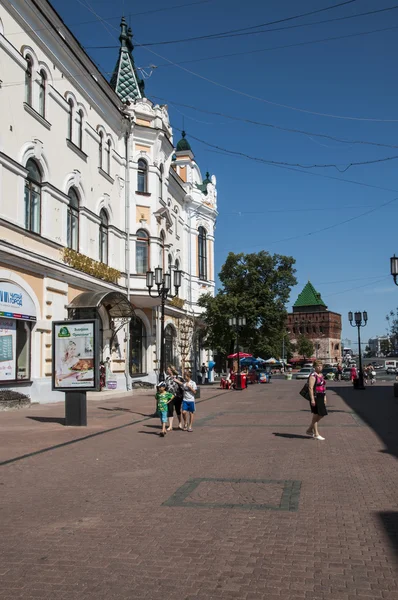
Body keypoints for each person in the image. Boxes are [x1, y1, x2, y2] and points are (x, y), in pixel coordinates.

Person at [306, 361, 328, 441]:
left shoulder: (321, 375)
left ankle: (309, 429)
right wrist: (312, 399)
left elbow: (323, 386)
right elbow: (310, 388)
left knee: (322, 414)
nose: (320, 367)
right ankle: (316, 434)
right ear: (314, 367)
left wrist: (325, 397)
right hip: (316, 396)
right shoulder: (313, 375)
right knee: (316, 414)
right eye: (318, 366)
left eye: (321, 366)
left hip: (321, 395)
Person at [165, 365, 184, 431]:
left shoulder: (179, 377)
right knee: (170, 410)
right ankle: (170, 426)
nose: (167, 370)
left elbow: (184, 385)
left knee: (178, 410)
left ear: (171, 370)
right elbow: (166, 387)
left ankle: (180, 423)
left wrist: (177, 381)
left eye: (168, 369)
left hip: (178, 396)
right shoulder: (167, 378)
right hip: (169, 397)